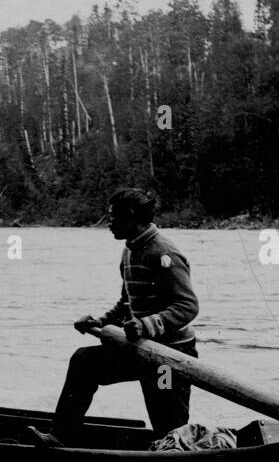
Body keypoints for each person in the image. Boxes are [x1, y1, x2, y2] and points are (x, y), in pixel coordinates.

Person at [48, 189, 200, 444]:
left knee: (168, 425)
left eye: (112, 217)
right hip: (140, 351)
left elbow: (187, 305)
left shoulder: (164, 254)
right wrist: (101, 322)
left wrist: (145, 325)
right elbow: (127, 303)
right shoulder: (130, 250)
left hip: (169, 358)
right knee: (84, 362)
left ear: (130, 218)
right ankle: (60, 437)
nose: (108, 223)